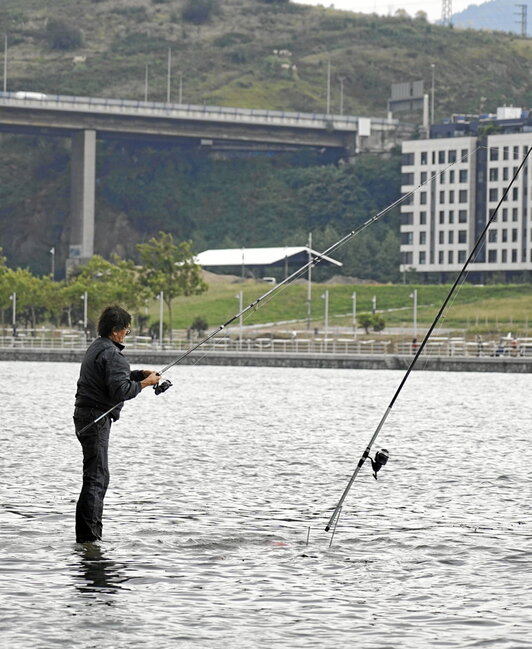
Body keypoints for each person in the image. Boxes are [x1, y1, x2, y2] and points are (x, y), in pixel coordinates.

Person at [73, 305, 160, 543]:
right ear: (115, 331)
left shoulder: (97, 347)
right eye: (126, 331)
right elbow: (121, 390)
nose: (126, 335)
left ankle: (87, 537)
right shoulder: (113, 354)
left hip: (84, 416)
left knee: (94, 476)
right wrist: (145, 383)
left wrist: (139, 373)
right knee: (97, 477)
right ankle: (90, 539)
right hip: (96, 419)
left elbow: (112, 377)